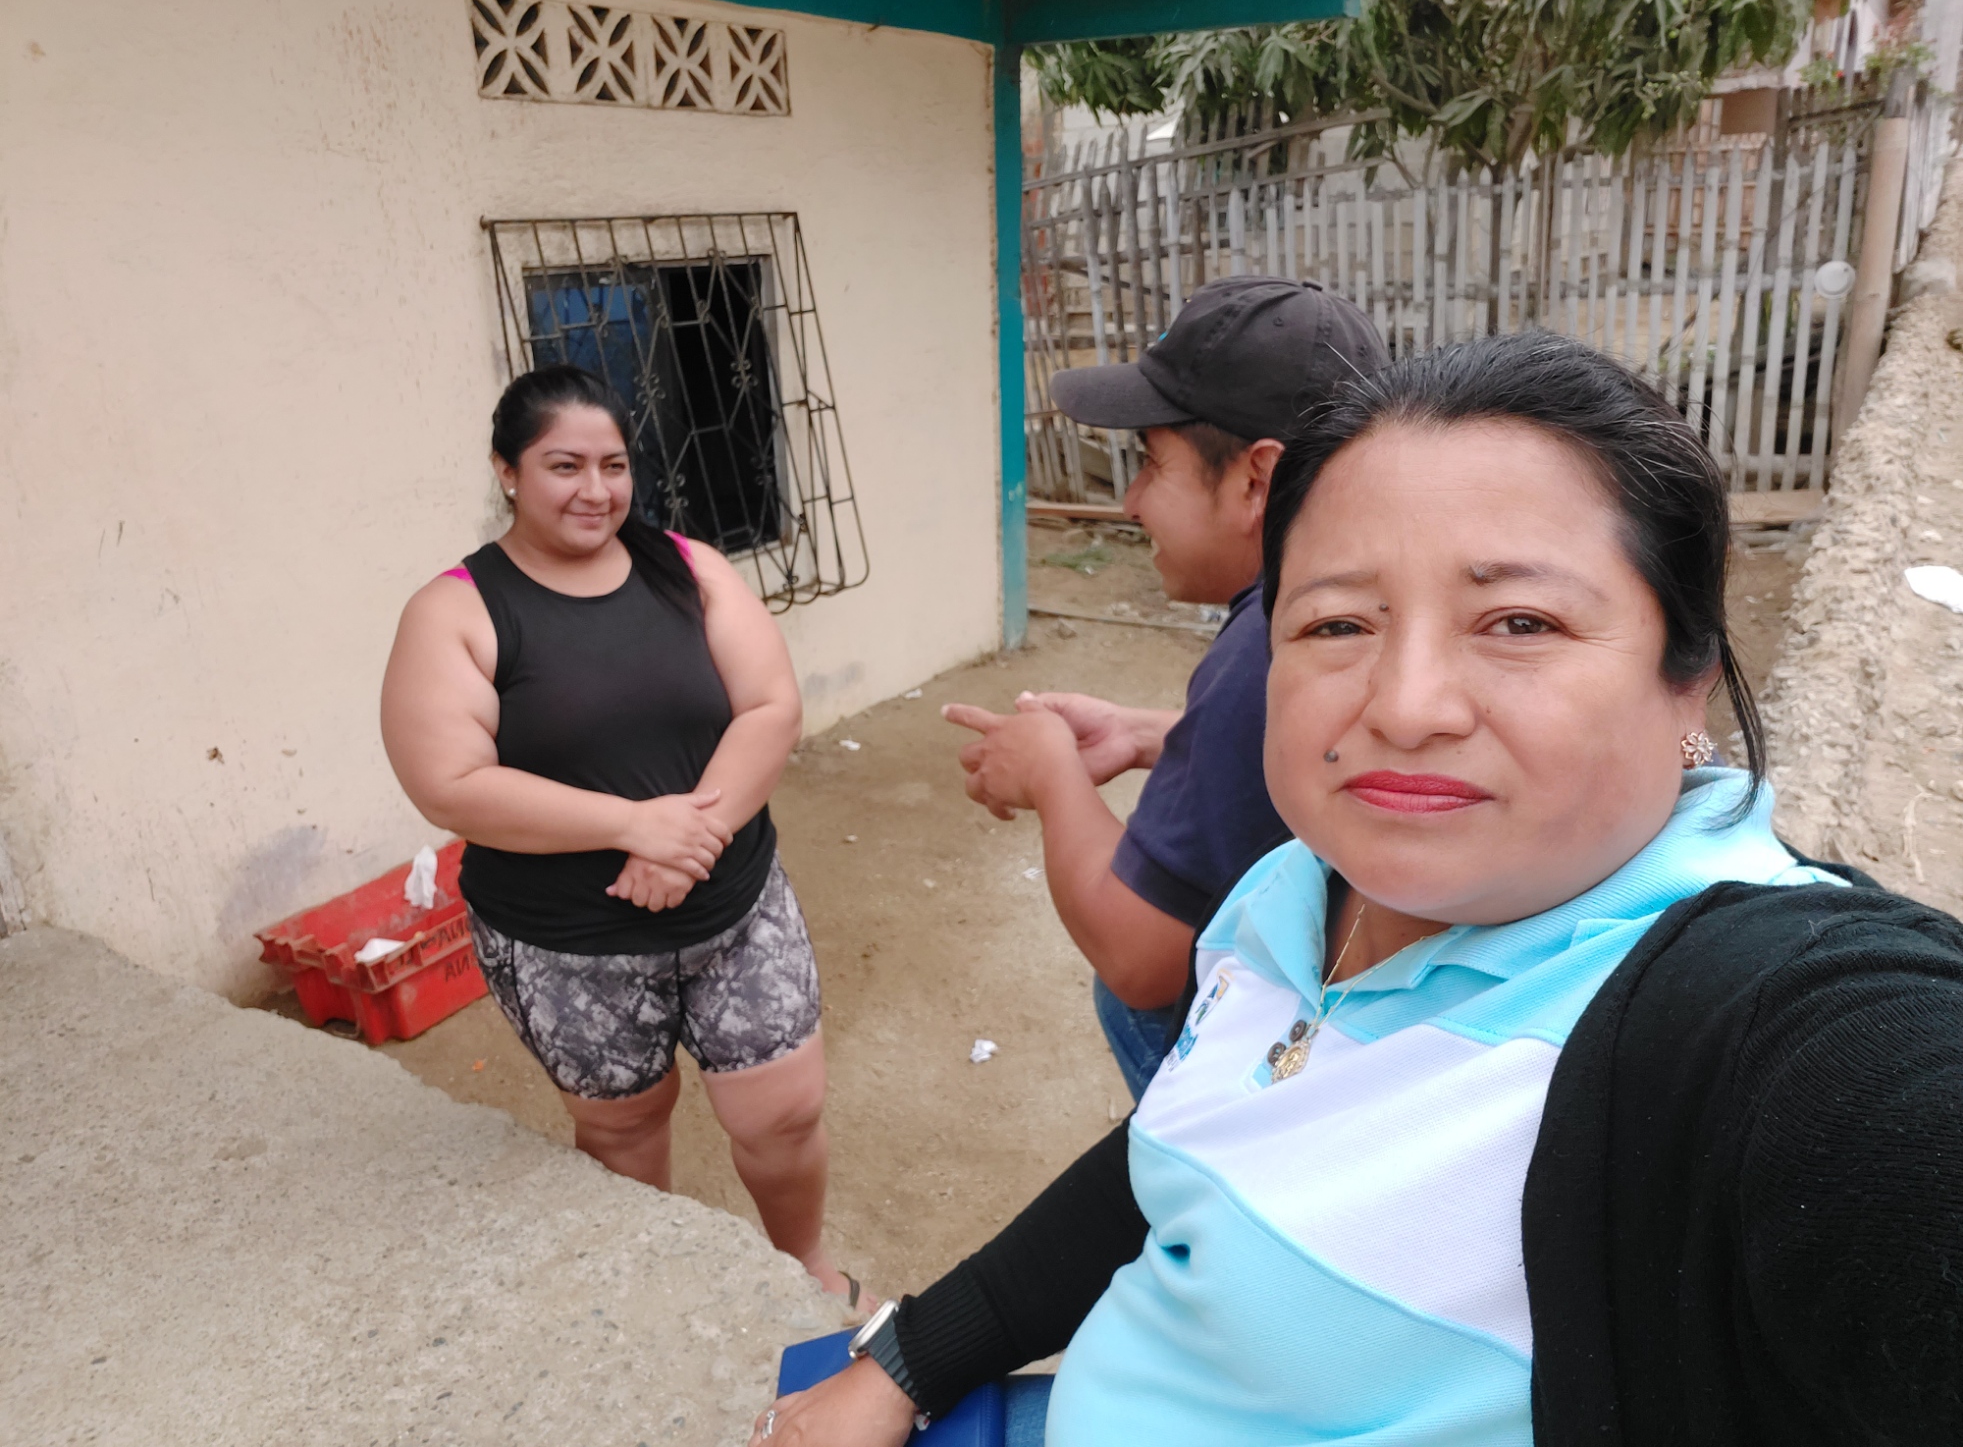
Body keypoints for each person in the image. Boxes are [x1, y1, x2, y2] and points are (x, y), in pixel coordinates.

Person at [751, 332, 1963, 1445]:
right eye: (1336, 625)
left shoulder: (1753, 1019)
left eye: (1519, 622)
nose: (1405, 705)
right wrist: (911, 1357)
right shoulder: (1294, 889)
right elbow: (1188, 1147)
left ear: (1685, 671)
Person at [380, 365, 861, 1304]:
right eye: (564, 465)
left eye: (613, 464)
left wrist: (690, 838)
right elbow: (451, 783)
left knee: (783, 1115)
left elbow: (769, 705)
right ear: (507, 471)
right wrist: (635, 824)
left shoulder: (687, 568)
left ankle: (804, 1270)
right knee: (623, 1130)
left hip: (733, 908)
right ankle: (662, 1301)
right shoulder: (456, 611)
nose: (595, 490)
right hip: (569, 943)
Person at [945, 276, 1387, 1098]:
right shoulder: (1371, 604)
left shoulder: (1263, 651)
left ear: (1256, 481)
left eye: (1152, 464)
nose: (1130, 501)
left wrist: (1049, 770)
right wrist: (1149, 733)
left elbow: (1138, 957)